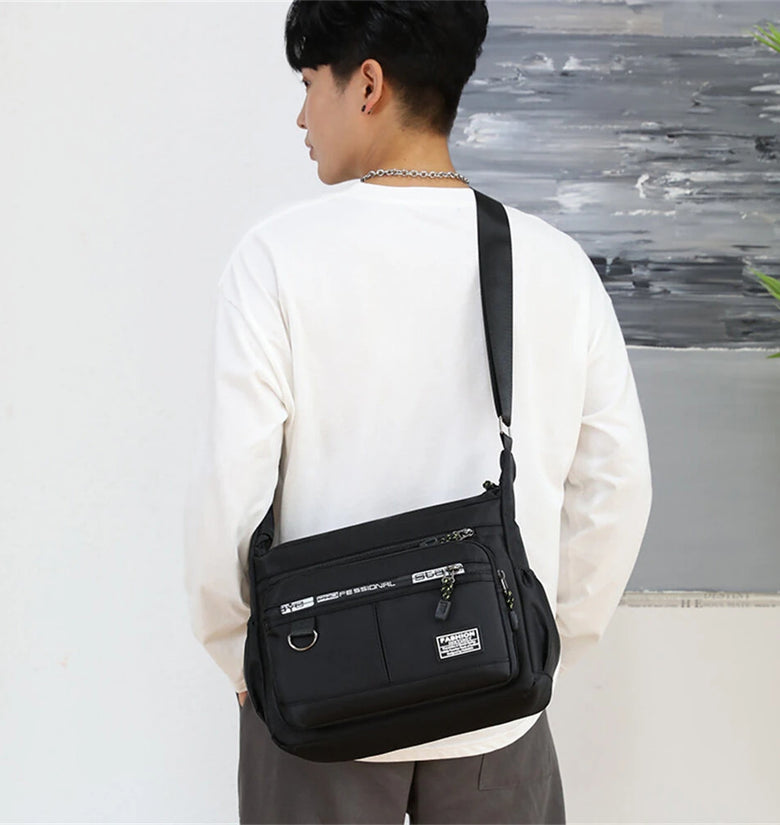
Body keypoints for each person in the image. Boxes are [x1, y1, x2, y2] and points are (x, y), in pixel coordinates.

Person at [182, 1, 653, 823]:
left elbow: (232, 490)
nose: (302, 116)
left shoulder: (276, 260)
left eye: (309, 84)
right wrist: (540, 643)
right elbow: (617, 487)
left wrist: (244, 661)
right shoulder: (553, 263)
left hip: (318, 712)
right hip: (496, 713)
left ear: (367, 85)